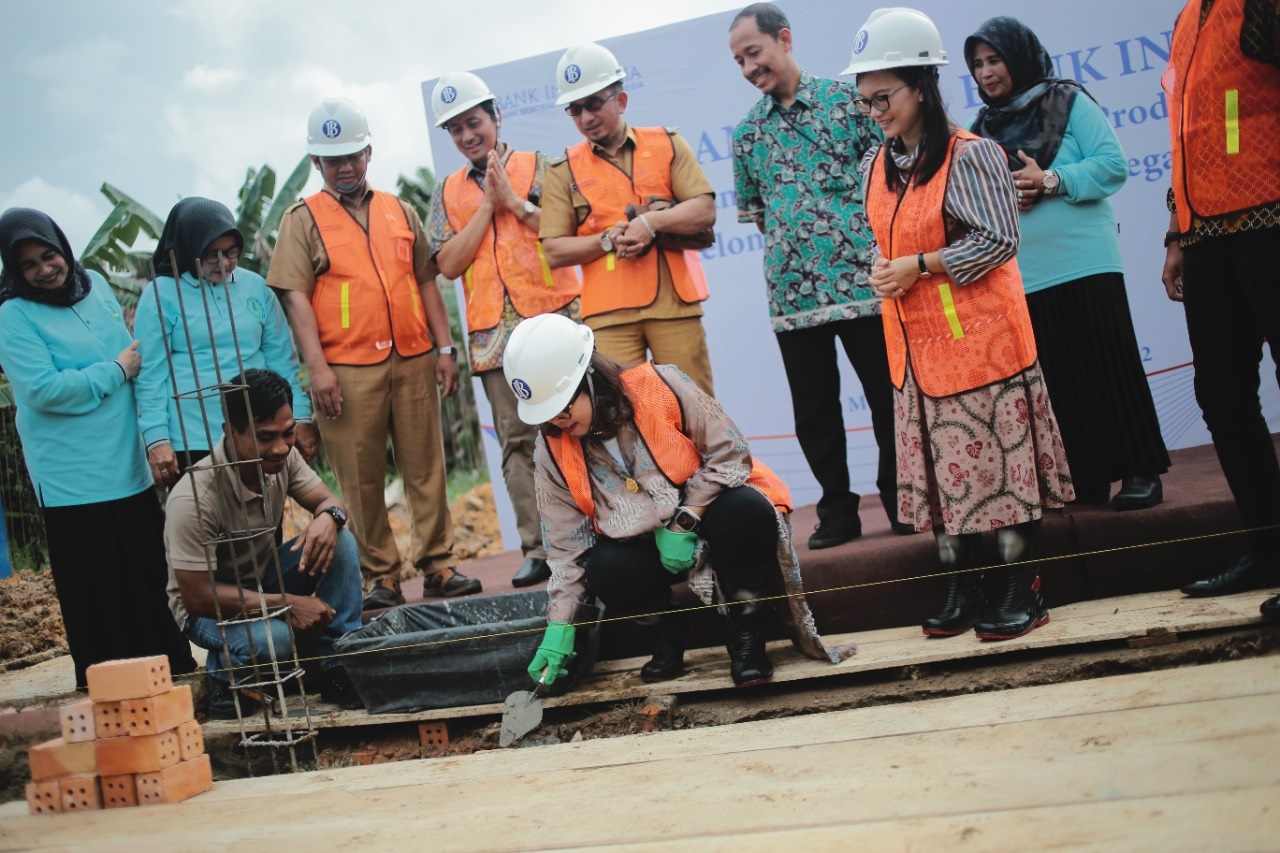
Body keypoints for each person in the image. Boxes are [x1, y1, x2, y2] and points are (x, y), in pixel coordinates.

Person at [845, 8, 1075, 640]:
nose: (877, 112)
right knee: (944, 483)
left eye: (884, 97)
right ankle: (963, 583)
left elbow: (999, 241)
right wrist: (884, 267)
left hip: (979, 344)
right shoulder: (877, 164)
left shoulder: (972, 155)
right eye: (867, 103)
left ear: (921, 85)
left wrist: (918, 265)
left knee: (996, 476)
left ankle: (1018, 587)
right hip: (914, 352)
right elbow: (883, 238)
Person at [504, 313, 853, 690]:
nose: (559, 420)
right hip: (642, 545)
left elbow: (731, 452)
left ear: (589, 377)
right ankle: (667, 632)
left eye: (565, 406)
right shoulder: (551, 449)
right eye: (547, 414)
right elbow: (565, 548)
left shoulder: (659, 385)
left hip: (709, 516)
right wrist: (560, 626)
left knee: (746, 511)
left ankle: (746, 631)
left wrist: (684, 521)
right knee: (606, 567)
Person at [269, 97, 481, 610]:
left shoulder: (398, 209)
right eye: (333, 159)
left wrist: (445, 348)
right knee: (360, 478)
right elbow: (295, 297)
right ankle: (380, 575)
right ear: (317, 163)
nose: (345, 167)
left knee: (426, 466)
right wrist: (317, 369)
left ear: (369, 153)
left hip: (412, 358)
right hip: (344, 369)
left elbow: (427, 282)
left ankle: (439, 564)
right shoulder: (302, 220)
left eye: (353, 155)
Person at [966, 17, 1170, 510]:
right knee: (1060, 379)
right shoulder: (980, 130)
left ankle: (1141, 470)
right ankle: (1087, 474)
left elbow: (1112, 165)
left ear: (1019, 56)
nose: (986, 72)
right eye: (977, 65)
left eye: (994, 60)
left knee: (1109, 365)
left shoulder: (1067, 100)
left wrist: (1051, 181)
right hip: (1024, 274)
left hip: (1085, 261)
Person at [729, 3, 908, 547]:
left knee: (886, 394)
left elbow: (889, 185)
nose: (747, 68)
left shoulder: (849, 104)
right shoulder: (746, 135)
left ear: (784, 39)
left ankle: (904, 496)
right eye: (738, 60)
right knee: (815, 411)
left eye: (753, 52)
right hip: (793, 295)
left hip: (864, 282)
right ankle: (837, 509)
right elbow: (760, 215)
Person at [0, 208, 196, 689]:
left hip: (123, 457)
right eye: (29, 265)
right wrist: (115, 371)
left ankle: (170, 667)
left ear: (63, 247)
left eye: (49, 255)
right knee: (96, 574)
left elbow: (135, 348)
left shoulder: (97, 287)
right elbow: (42, 390)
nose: (46, 269)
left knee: (145, 565)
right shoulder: (12, 314)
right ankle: (109, 682)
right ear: (14, 270)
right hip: (72, 471)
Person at [427, 71, 583, 589]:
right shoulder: (446, 191)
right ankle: (537, 548)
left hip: (555, 317)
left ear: (496, 117)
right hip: (493, 334)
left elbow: (567, 229)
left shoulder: (541, 165)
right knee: (517, 442)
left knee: (579, 423)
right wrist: (487, 209)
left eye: (474, 122)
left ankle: (596, 532)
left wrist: (515, 203)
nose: (468, 136)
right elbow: (446, 263)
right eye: (456, 130)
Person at [1161, 0, 1280, 621]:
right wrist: (1175, 233)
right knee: (1224, 396)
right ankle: (1269, 549)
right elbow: (1190, 126)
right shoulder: (1188, 18)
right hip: (1207, 232)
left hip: (1273, 215)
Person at [165, 368, 363, 716]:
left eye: (288, 433)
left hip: (262, 578)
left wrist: (329, 519)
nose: (280, 447)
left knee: (340, 541)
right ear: (231, 432)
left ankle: (335, 665)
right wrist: (288, 603)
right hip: (208, 609)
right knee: (274, 640)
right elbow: (197, 596)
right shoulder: (194, 498)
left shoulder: (284, 456)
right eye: (265, 436)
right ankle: (223, 677)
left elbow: (330, 502)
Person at [539, 43, 717, 397]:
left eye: (593, 104)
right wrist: (607, 239)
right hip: (608, 316)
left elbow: (704, 210)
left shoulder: (668, 144)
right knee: (630, 417)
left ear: (620, 101)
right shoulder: (562, 170)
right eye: (575, 109)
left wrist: (650, 224)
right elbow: (554, 250)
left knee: (697, 407)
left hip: (675, 304)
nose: (586, 117)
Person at [135, 197, 316, 487]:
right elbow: (150, 375)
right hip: (192, 435)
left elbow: (283, 358)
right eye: (212, 255)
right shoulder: (162, 294)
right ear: (189, 249)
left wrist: (301, 415)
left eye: (232, 252)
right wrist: (157, 438)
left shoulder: (255, 286)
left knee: (265, 520)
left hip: (259, 430)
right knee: (208, 525)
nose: (225, 262)